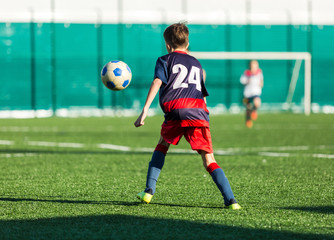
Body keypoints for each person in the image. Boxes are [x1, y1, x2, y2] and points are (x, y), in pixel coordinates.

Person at [134, 23, 241, 210]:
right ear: (188, 42)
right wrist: (204, 117)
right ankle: (232, 201)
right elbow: (202, 95)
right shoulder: (197, 63)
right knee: (209, 159)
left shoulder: (164, 60)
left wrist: (145, 110)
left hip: (175, 110)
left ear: (167, 45)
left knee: (162, 145)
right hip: (198, 112)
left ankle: (149, 191)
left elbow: (157, 81)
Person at [240, 60, 264, 128]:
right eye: (252, 65)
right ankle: (248, 120)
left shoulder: (259, 73)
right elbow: (242, 81)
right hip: (247, 93)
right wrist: (248, 80)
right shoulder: (246, 73)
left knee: (257, 103)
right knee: (248, 108)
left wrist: (261, 84)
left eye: (255, 65)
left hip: (256, 92)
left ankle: (254, 111)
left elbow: (261, 80)